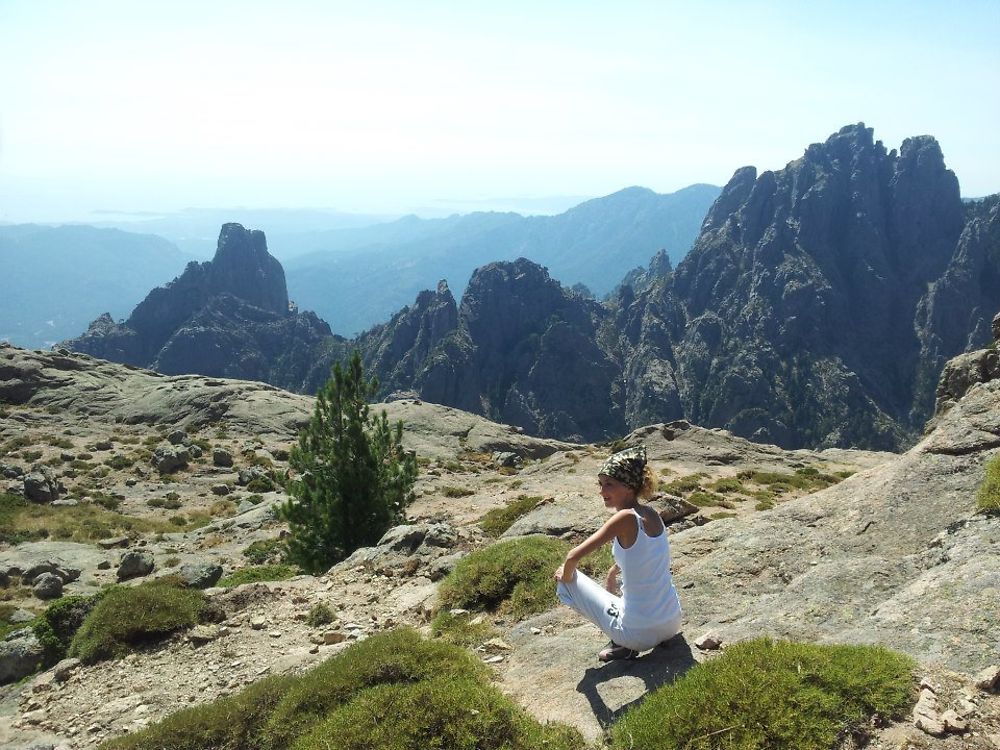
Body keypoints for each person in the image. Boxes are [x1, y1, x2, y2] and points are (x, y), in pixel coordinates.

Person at [554, 445, 682, 661]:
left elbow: (572, 557)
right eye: (601, 484)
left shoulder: (624, 518)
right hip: (672, 623)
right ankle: (629, 636)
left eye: (609, 484)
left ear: (629, 487)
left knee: (567, 577)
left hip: (638, 634)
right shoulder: (652, 514)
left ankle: (623, 644)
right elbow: (645, 555)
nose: (602, 491)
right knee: (625, 598)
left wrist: (565, 580)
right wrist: (613, 572)